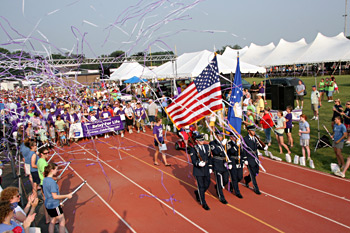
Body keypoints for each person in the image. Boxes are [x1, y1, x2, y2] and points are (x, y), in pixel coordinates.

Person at [43, 163, 73, 233]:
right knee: (62, 221)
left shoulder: (45, 179)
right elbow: (55, 196)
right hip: (54, 205)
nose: (57, 171)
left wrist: (60, 202)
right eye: (56, 169)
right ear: (51, 170)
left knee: (52, 221)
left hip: (48, 204)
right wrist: (67, 196)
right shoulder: (52, 182)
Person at [189, 134, 212, 210]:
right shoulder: (193, 149)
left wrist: (210, 166)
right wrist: (198, 163)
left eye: (203, 140)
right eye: (201, 140)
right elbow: (193, 160)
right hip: (198, 170)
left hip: (206, 168)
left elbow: (209, 157)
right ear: (196, 141)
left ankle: (198, 193)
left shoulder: (206, 147)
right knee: (201, 186)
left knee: (207, 183)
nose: (202, 141)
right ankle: (203, 202)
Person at [243, 125, 266, 195]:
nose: (254, 132)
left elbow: (258, 146)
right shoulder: (245, 139)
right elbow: (244, 149)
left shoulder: (255, 138)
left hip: (255, 157)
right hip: (249, 157)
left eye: (254, 131)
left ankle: (247, 179)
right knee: (252, 173)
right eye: (252, 131)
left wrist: (264, 148)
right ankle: (256, 188)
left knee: (256, 172)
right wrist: (245, 159)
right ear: (248, 131)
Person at [209, 132, 229, 204]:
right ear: (217, 136)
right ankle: (221, 197)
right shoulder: (212, 143)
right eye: (220, 136)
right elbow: (216, 152)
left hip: (224, 163)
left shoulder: (225, 143)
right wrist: (222, 145)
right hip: (217, 163)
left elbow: (228, 153)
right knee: (219, 181)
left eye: (222, 136)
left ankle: (218, 186)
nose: (221, 137)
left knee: (226, 179)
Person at [227, 133, 244, 199]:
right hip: (233, 160)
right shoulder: (229, 144)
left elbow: (243, 152)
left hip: (239, 161)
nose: (235, 138)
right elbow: (230, 151)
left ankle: (232, 185)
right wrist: (236, 146)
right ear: (231, 137)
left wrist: (243, 159)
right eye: (234, 137)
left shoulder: (240, 143)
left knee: (240, 177)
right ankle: (237, 192)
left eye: (236, 136)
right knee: (234, 177)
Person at [37, 146, 51, 224]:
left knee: (46, 200)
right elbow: (45, 174)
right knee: (49, 201)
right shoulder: (43, 163)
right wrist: (55, 178)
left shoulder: (39, 161)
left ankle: (47, 218)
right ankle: (51, 218)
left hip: (43, 183)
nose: (47, 154)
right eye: (46, 153)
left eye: (48, 152)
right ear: (41, 154)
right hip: (46, 184)